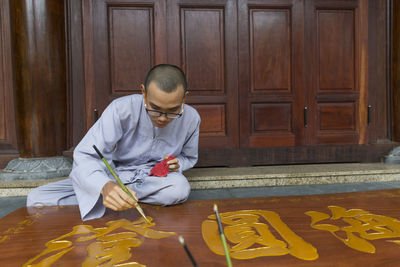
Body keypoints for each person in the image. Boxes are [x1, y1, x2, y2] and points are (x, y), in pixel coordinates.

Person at [27, 64, 201, 221]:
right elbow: (87, 155)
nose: (162, 118)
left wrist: (177, 165)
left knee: (178, 188)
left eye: (172, 111)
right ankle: (114, 197)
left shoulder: (192, 118)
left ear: (184, 98)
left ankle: (117, 201)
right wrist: (105, 186)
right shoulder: (121, 109)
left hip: (152, 181)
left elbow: (189, 157)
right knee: (38, 198)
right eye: (155, 109)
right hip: (114, 174)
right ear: (144, 92)